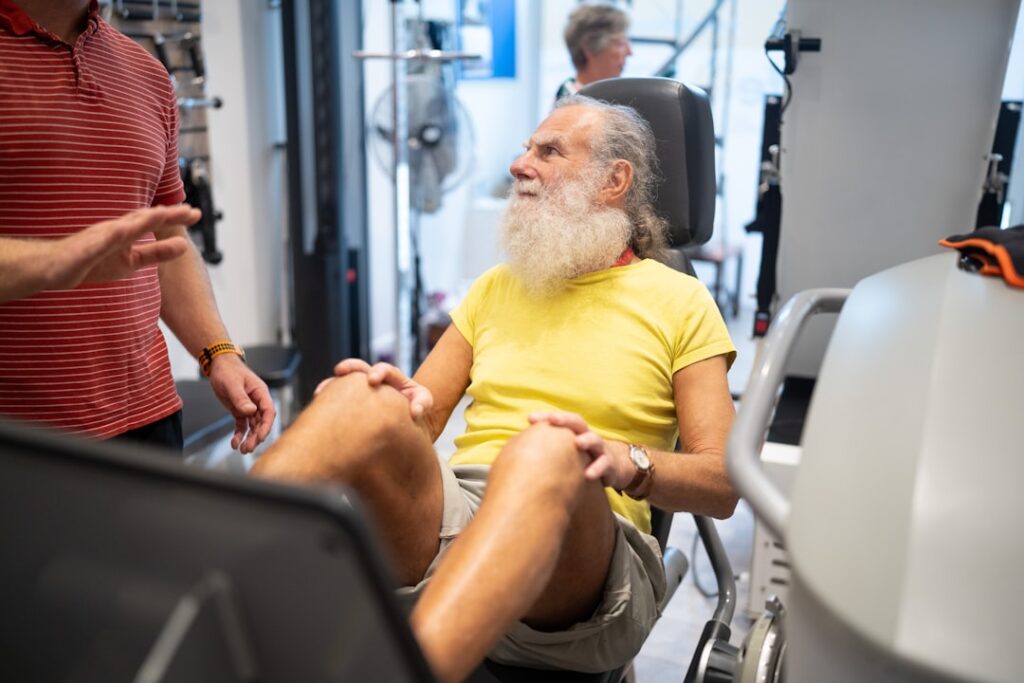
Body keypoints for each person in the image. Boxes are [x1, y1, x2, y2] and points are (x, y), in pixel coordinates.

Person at [252, 95, 738, 683]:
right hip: (459, 523)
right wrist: (393, 400)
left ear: (614, 181)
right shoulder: (496, 287)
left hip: (582, 562)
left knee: (548, 446)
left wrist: (623, 461)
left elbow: (724, 485)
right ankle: (201, 579)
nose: (519, 164)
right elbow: (421, 414)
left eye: (548, 150)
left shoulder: (680, 300)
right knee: (359, 397)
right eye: (526, 147)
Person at [0, 0, 275, 453]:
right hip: (21, 437)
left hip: (149, 419)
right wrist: (53, 261)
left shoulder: (146, 73)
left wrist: (218, 353)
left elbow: (168, 239)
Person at [556, 3, 633, 101]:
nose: (630, 52)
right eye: (620, 43)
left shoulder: (610, 99)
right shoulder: (571, 102)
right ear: (589, 48)